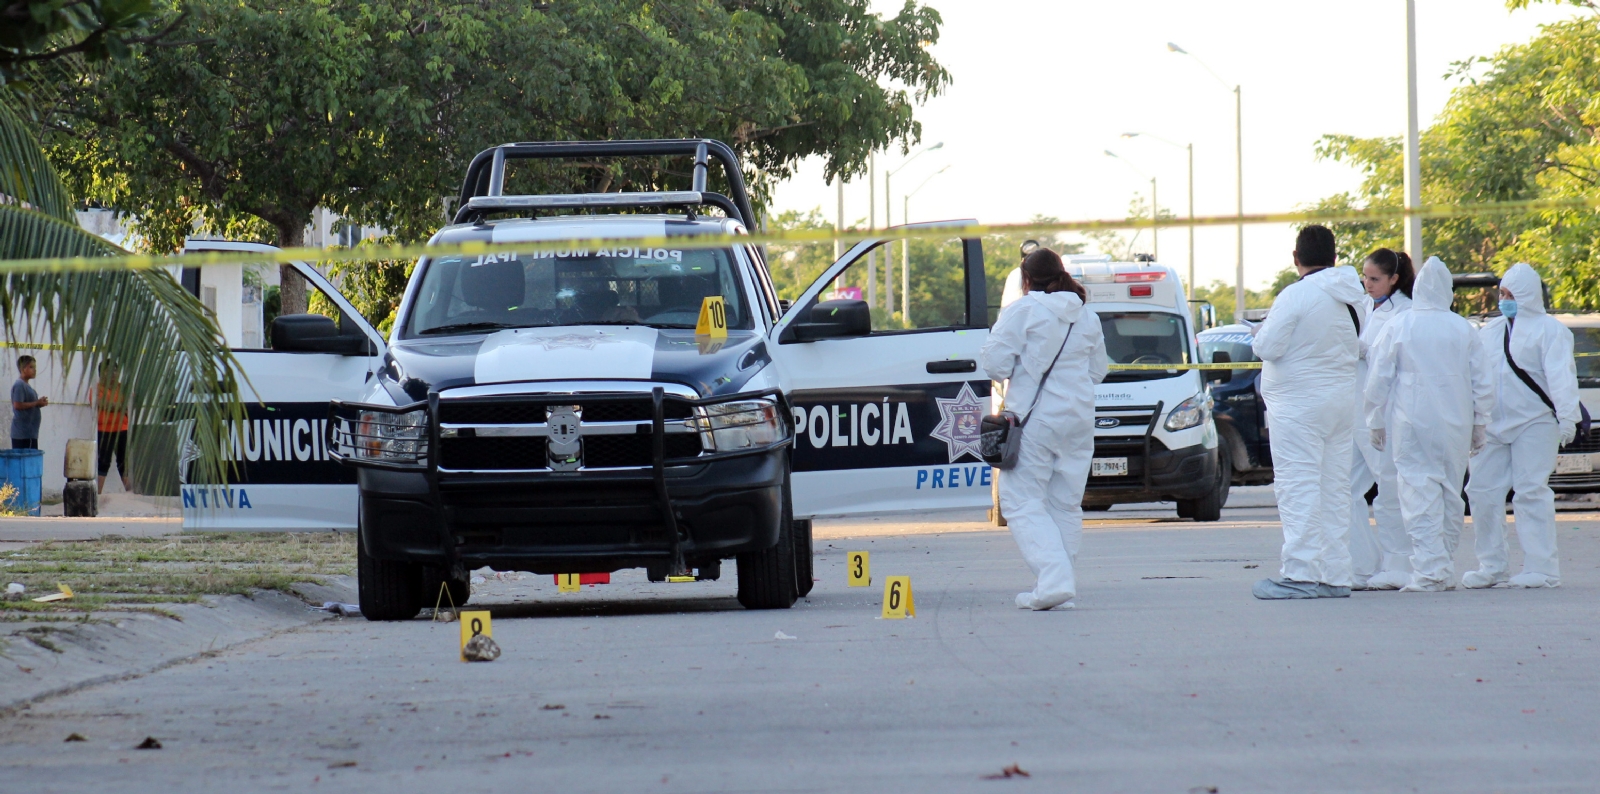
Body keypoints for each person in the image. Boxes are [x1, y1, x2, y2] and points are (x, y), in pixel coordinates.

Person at [979, 248, 1108, 610]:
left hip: (1036, 419)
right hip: (1079, 419)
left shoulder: (1023, 309)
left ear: (1027, 278)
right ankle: (1059, 585)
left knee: (1020, 501)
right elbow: (1098, 371)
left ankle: (1053, 580)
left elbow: (994, 364)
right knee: (1064, 504)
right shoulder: (1087, 316)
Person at [1363, 257, 1495, 591]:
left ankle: (1430, 570)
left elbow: (1378, 376)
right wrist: (1481, 423)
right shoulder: (1462, 327)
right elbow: (1483, 380)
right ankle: (1443, 564)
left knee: (1416, 492)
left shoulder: (1401, 324)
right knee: (1450, 492)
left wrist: (1374, 419)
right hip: (1455, 422)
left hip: (1412, 421)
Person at [1250, 225, 1368, 599]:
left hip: (1298, 406)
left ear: (1296, 258)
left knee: (1298, 485)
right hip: (1340, 403)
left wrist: (1258, 334)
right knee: (1334, 489)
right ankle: (1335, 575)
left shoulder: (1296, 295)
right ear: (1334, 258)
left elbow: (1267, 346)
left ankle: (1300, 574)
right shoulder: (1355, 297)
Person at [1463, 262, 1580, 588]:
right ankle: (1492, 566)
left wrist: (1567, 416)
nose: (1503, 299)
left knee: (1531, 492)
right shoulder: (1490, 331)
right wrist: (1475, 419)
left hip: (1535, 423)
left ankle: (1542, 569)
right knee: (1482, 491)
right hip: (1493, 424)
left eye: (1510, 294)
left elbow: (1561, 377)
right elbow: (1477, 378)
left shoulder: (1549, 330)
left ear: (1527, 295)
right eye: (1501, 293)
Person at [1349, 248, 1416, 590]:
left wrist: (1364, 350)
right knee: (1344, 486)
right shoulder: (1363, 306)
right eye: (1365, 277)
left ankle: (1398, 561)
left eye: (1375, 279)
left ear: (1394, 279)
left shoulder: (1405, 312)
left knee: (1388, 486)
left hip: (1386, 413)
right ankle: (1361, 564)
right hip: (1356, 410)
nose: (1368, 283)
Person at [96, 360, 133, 493]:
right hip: (104, 430)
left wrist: (115, 406)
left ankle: (130, 493)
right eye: (110, 371)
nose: (114, 374)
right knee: (103, 462)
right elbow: (103, 404)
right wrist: (119, 407)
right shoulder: (97, 389)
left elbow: (127, 403)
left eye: (115, 370)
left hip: (121, 429)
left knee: (123, 462)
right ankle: (98, 493)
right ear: (102, 374)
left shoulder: (122, 388)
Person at [10, 355, 47, 450]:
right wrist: (36, 403)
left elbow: (29, 405)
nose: (34, 370)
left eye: (35, 367)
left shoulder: (26, 386)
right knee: (25, 462)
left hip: (29, 434)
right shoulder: (19, 385)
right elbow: (17, 405)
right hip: (23, 435)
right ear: (23, 369)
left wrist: (39, 403)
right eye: (31, 367)